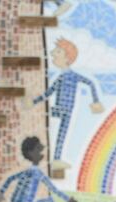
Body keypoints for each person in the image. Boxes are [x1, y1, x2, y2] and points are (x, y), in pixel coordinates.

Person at [32, 37, 104, 170]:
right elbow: (49, 92)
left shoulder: (72, 76)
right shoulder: (60, 77)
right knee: (58, 131)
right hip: (62, 109)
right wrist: (35, 102)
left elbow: (91, 83)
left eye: (58, 52)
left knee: (62, 134)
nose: (53, 53)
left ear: (67, 58)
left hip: (66, 109)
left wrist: (95, 101)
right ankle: (51, 156)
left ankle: (57, 159)